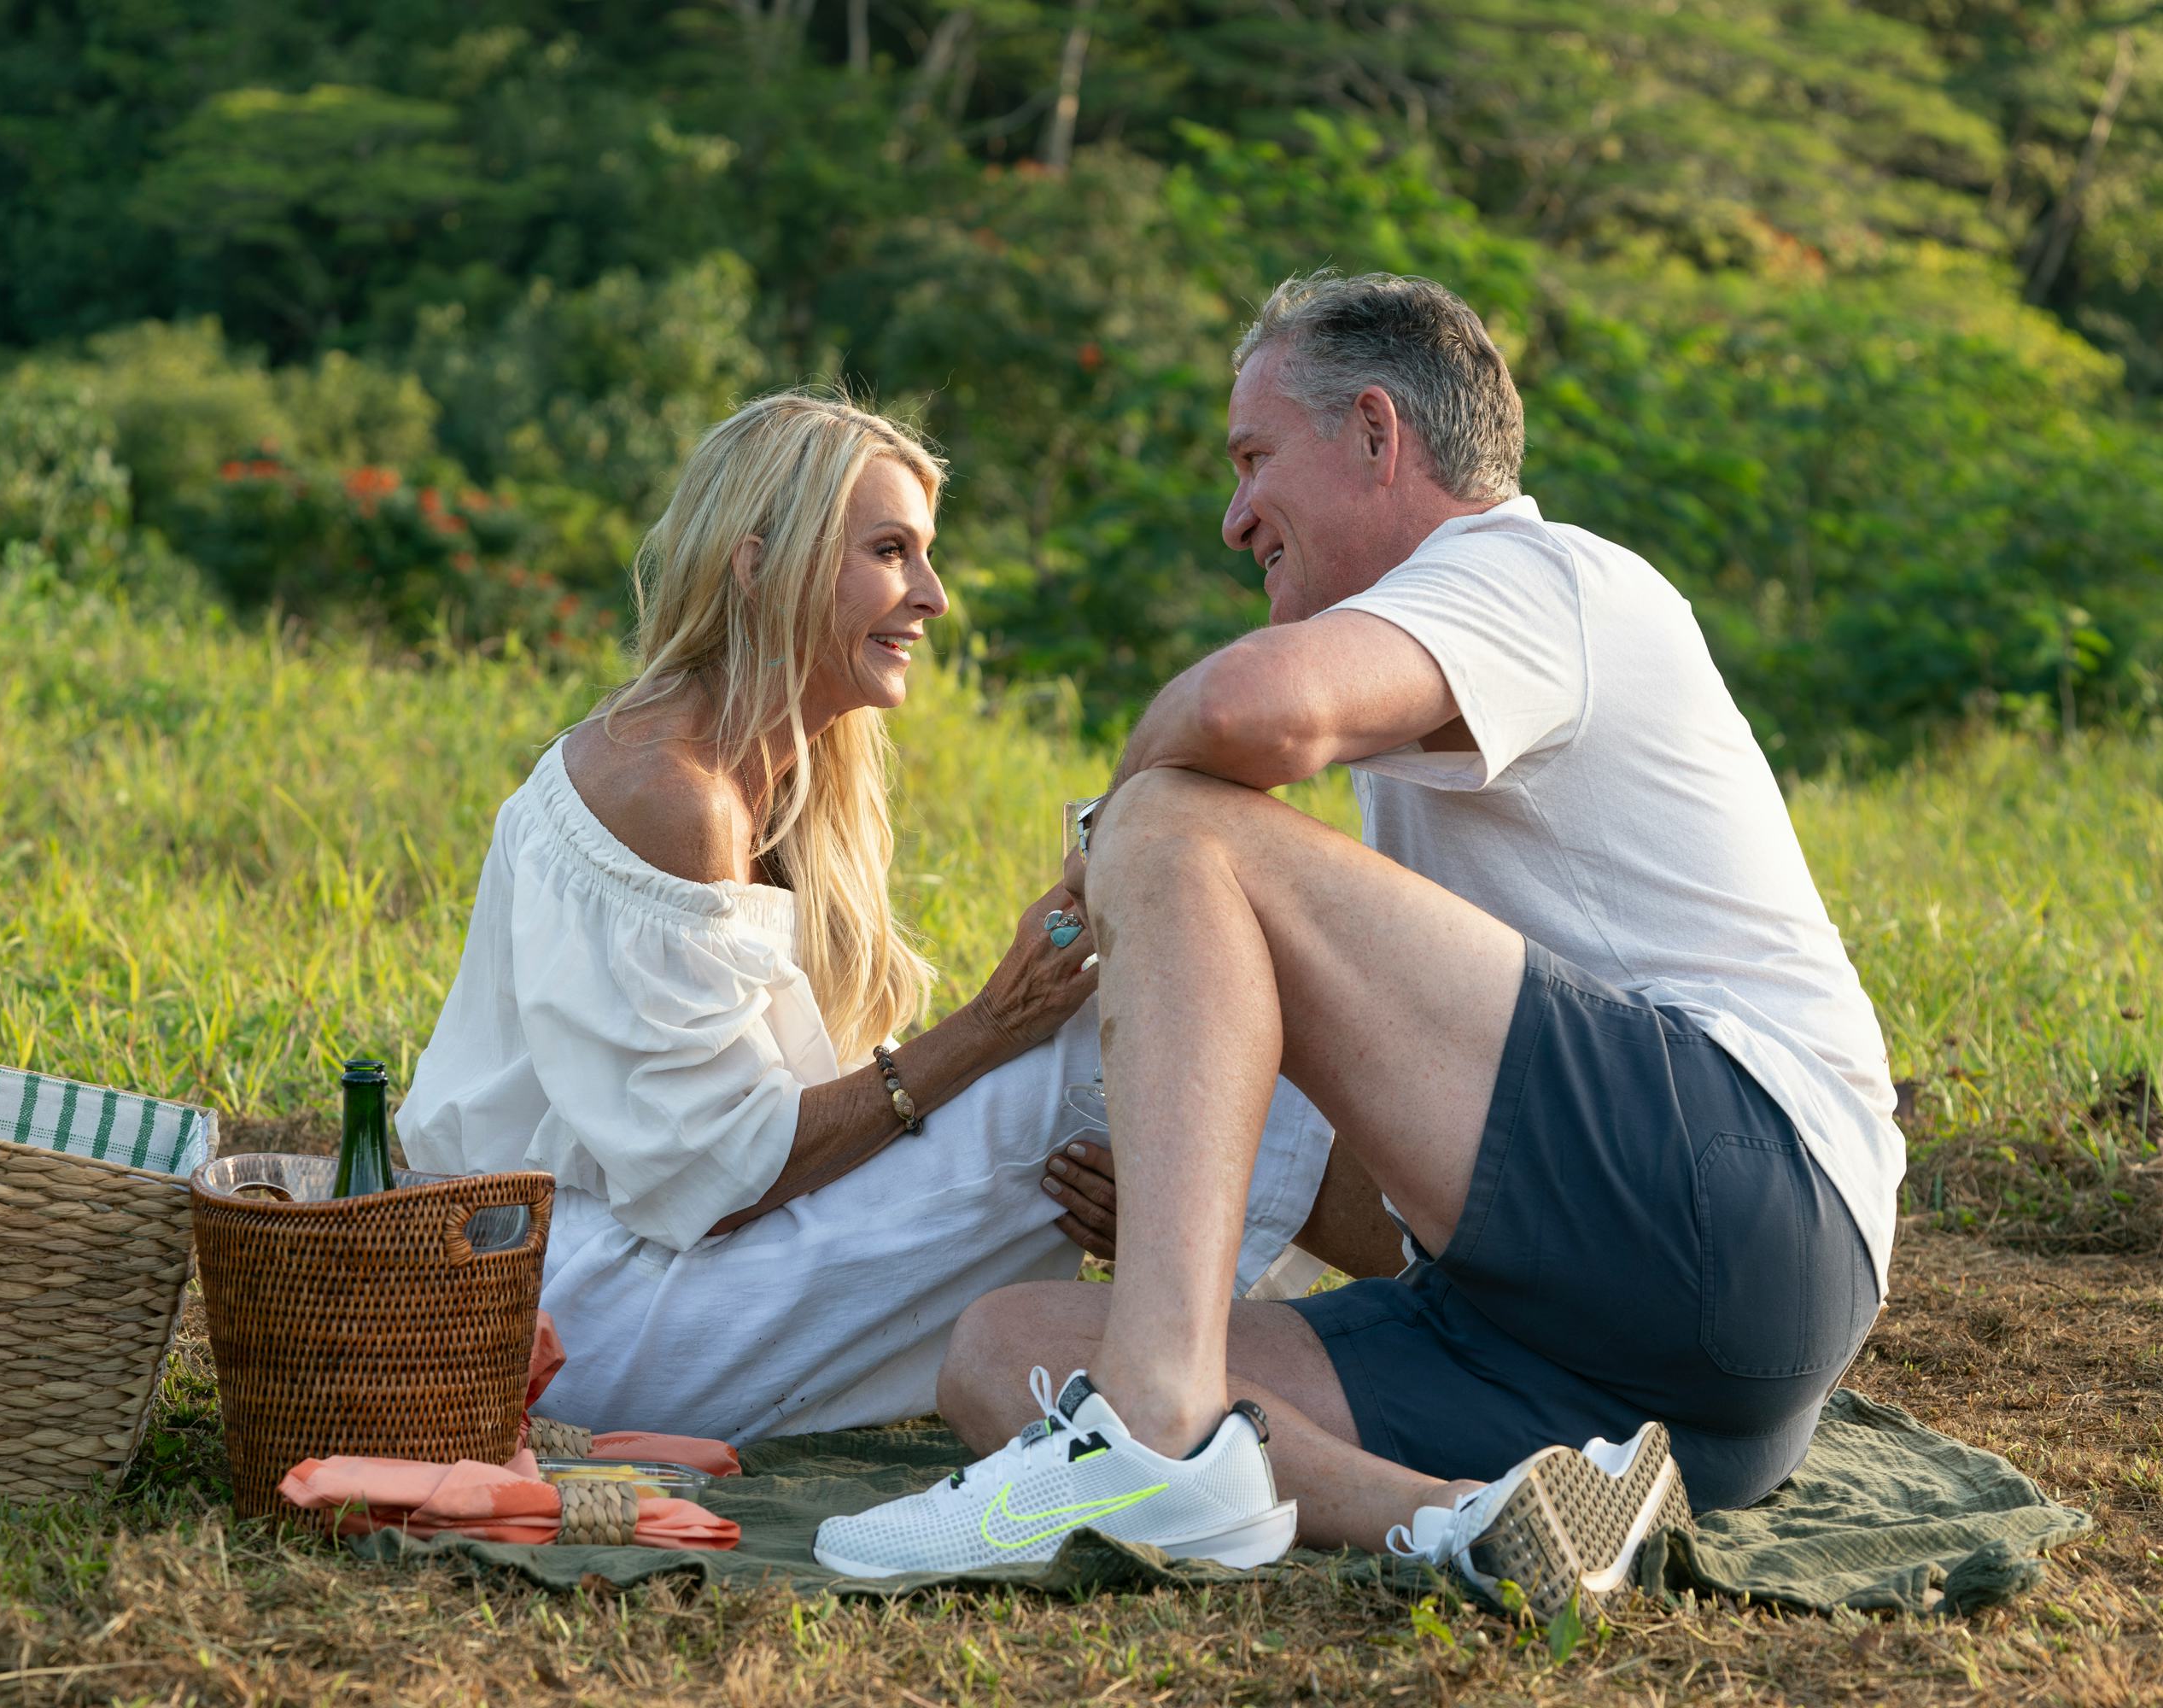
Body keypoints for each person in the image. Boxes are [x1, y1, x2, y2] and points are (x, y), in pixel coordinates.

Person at [814, 274, 1900, 1617]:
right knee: (1006, 1351)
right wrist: (1174, 1201)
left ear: (1379, 436)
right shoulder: (1448, 689)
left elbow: (1251, 712)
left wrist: (1108, 840)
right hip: (1638, 1379)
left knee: (1174, 826)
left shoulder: (1537, 573)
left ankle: (1152, 1433)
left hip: (1743, 1202)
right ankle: (1482, 1529)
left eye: (1256, 459)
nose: (1235, 516)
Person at [395, 389, 1335, 1443]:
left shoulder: (790, 774)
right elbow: (719, 1177)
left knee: (1130, 1028)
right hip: (563, 1308)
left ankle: (1352, 1296)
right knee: (1092, 1051)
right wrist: (990, 1025)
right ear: (759, 567)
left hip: (642, 1262)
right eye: (891, 551)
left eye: (923, 554)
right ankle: (1448, 1305)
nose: (932, 595)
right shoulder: (669, 788)